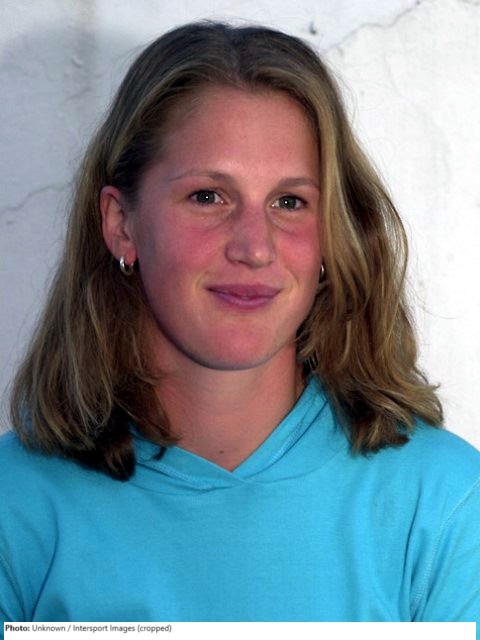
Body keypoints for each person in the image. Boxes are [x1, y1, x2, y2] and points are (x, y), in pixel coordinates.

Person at [1, 20, 479, 626]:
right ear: (121, 223)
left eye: (289, 202)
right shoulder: (13, 506)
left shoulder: (444, 505)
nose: (254, 247)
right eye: (209, 196)